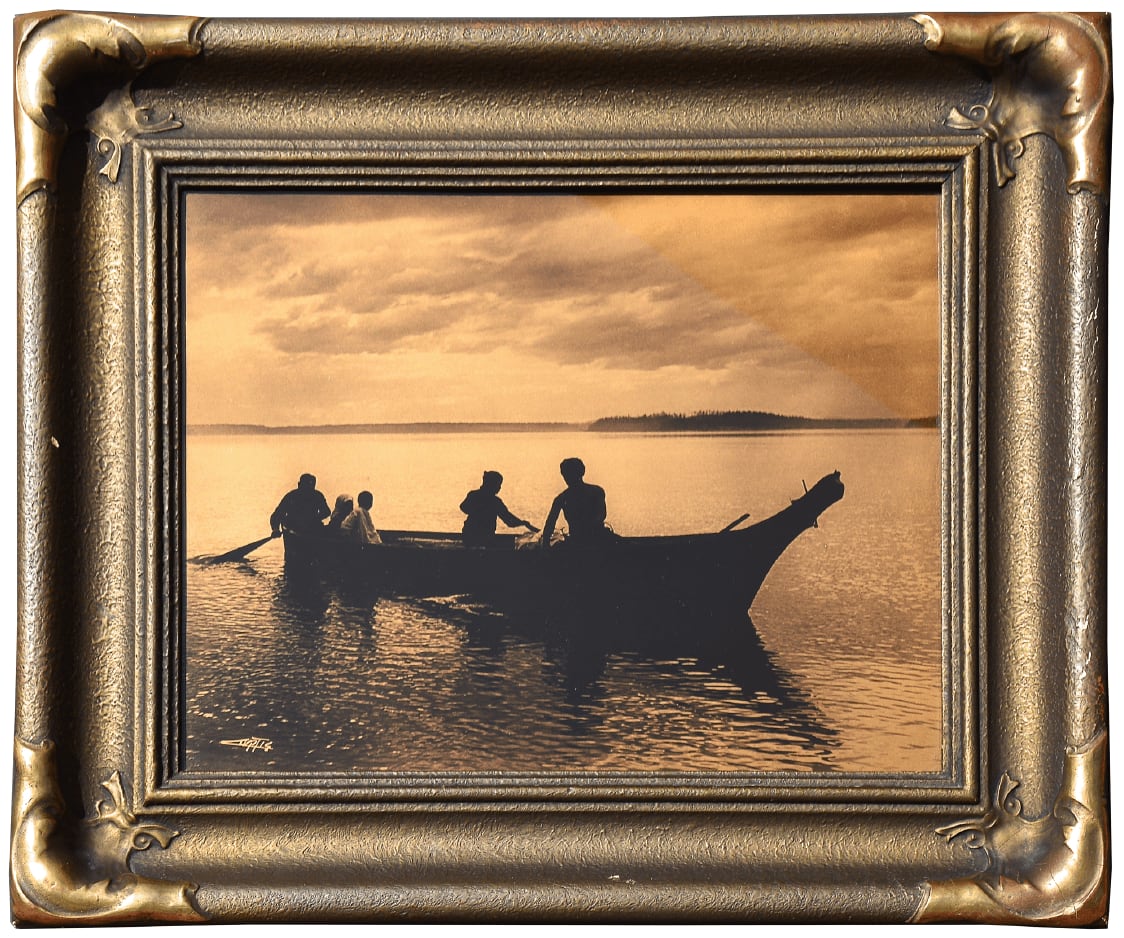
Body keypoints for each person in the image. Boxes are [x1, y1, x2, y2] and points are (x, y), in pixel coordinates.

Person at [540, 457, 611, 546]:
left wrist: (546, 545)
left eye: (570, 474)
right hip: (582, 540)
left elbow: (601, 515)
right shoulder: (562, 498)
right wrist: (546, 544)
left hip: (592, 539)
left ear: (581, 473)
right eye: (566, 474)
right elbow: (550, 524)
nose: (567, 478)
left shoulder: (596, 492)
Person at [460, 471, 539, 547]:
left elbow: (463, 507)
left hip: (468, 536)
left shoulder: (473, 495)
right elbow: (509, 520)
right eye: (498, 485)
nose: (499, 487)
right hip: (484, 538)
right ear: (491, 485)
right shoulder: (495, 501)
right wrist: (523, 523)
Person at [270, 473, 330, 537]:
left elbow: (326, 512)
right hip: (294, 528)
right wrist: (275, 529)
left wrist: (314, 519)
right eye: (306, 487)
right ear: (299, 485)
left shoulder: (317, 496)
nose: (308, 491)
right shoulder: (291, 497)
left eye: (310, 488)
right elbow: (277, 515)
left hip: (312, 529)